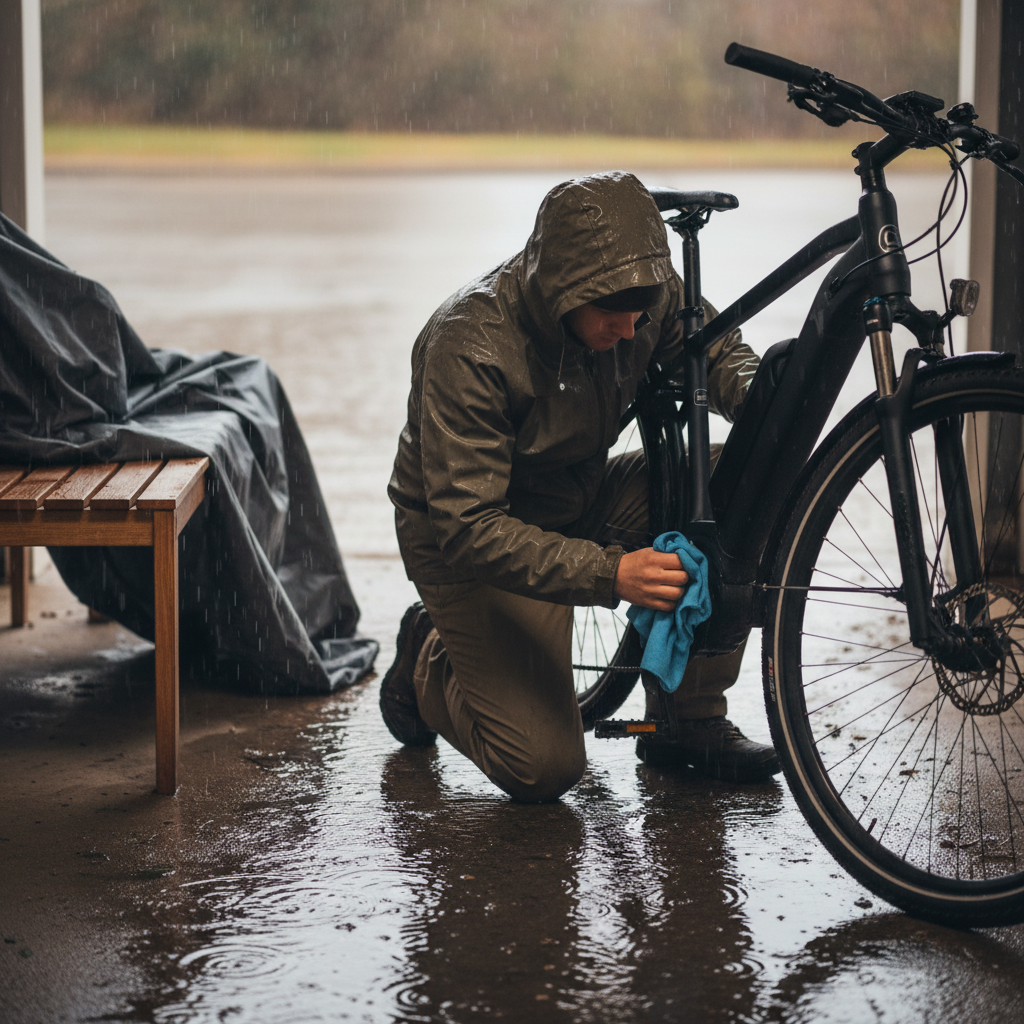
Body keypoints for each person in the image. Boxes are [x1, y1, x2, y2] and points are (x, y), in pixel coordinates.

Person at [383, 171, 780, 803]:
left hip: (580, 500)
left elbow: (713, 349)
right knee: (543, 767)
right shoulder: (469, 344)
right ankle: (425, 656)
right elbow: (468, 526)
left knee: (735, 482)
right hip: (472, 544)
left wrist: (765, 402)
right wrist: (611, 575)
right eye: (611, 314)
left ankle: (689, 718)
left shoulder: (638, 297)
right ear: (560, 290)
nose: (631, 331)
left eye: (641, 312)